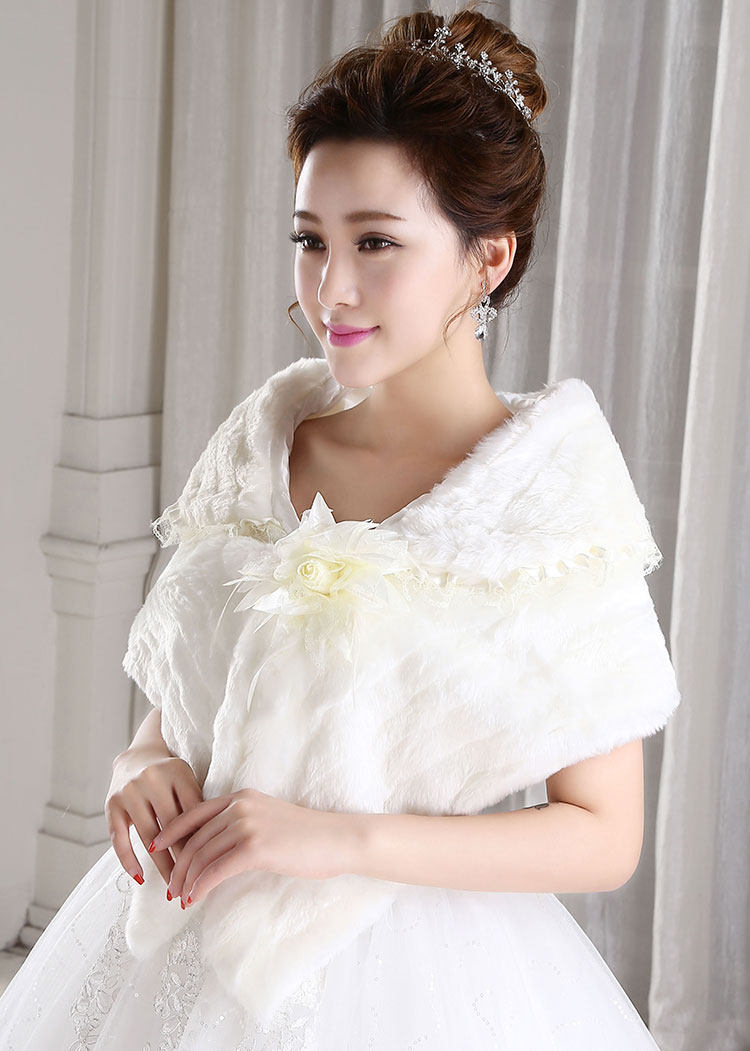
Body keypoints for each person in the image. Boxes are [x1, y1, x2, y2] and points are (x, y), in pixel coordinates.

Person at [0, 6, 681, 1048]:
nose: (332, 288)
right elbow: (190, 700)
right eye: (310, 241)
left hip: (416, 971)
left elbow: (602, 835)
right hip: (180, 927)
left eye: (377, 242)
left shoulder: (547, 502)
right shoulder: (265, 443)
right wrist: (139, 765)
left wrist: (337, 838)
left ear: (488, 259)